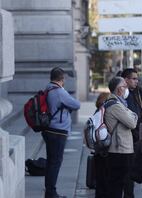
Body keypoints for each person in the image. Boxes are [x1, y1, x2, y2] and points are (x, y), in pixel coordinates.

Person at [43, 67, 81, 198]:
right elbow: (76, 104)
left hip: (49, 129)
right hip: (58, 130)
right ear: (62, 79)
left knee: (51, 161)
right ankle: (51, 192)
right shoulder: (59, 91)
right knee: (55, 162)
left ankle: (49, 191)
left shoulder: (48, 88)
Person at [105, 77, 138, 198]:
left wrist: (131, 114)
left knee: (118, 184)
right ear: (119, 90)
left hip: (120, 148)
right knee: (123, 184)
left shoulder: (118, 103)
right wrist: (133, 114)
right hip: (121, 149)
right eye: (125, 86)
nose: (127, 89)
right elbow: (132, 123)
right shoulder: (116, 106)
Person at [120, 69, 142, 198]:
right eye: (134, 79)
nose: (137, 81)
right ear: (125, 80)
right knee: (128, 170)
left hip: (136, 136)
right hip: (128, 137)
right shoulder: (125, 95)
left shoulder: (136, 93)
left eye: (137, 79)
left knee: (131, 169)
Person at [93, 92, 111, 198]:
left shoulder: (96, 112)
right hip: (106, 150)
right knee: (107, 179)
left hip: (97, 150)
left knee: (100, 180)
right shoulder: (106, 113)